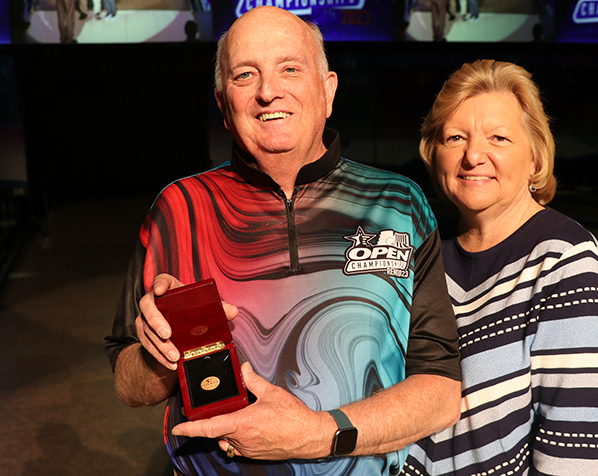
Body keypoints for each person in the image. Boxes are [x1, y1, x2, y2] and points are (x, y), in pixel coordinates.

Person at [103, 6, 461, 476]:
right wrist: (160, 356)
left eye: (289, 68)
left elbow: (440, 390)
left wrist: (319, 433)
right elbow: (128, 384)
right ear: (223, 104)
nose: (268, 91)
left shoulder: (398, 203)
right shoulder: (178, 208)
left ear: (327, 90)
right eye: (245, 75)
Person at [403, 60, 598, 475]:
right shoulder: (424, 255)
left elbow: (572, 458)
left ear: (536, 157)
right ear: (435, 155)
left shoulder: (566, 260)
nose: (473, 156)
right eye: (455, 138)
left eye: (498, 137)